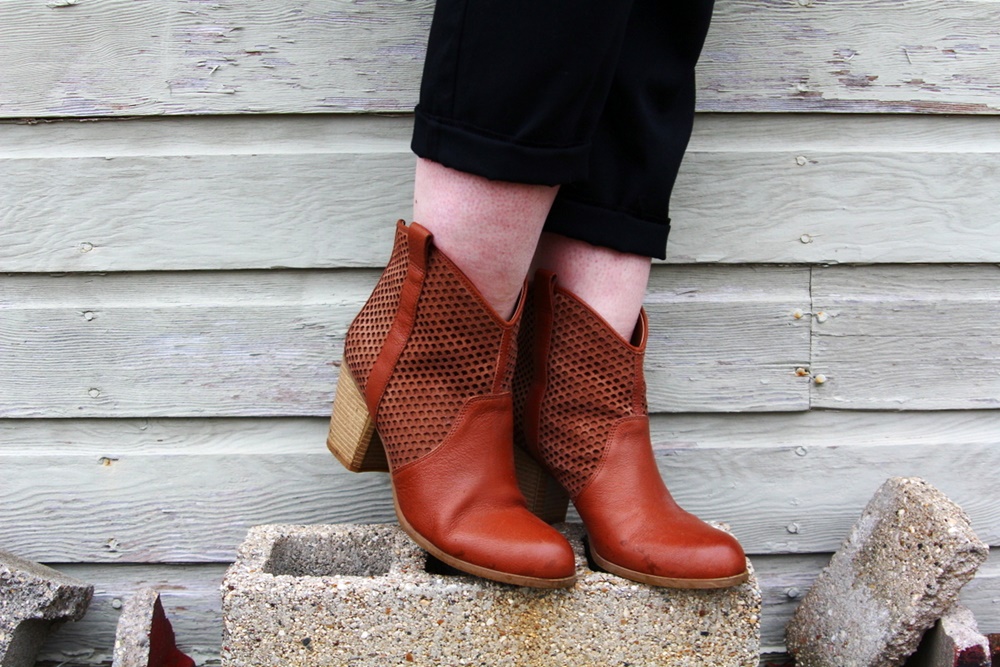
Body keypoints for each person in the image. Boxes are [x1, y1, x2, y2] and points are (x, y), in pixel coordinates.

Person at [327, 0, 748, 589]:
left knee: (648, 29)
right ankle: (433, 370)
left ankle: (581, 404)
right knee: (552, 19)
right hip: (434, 352)